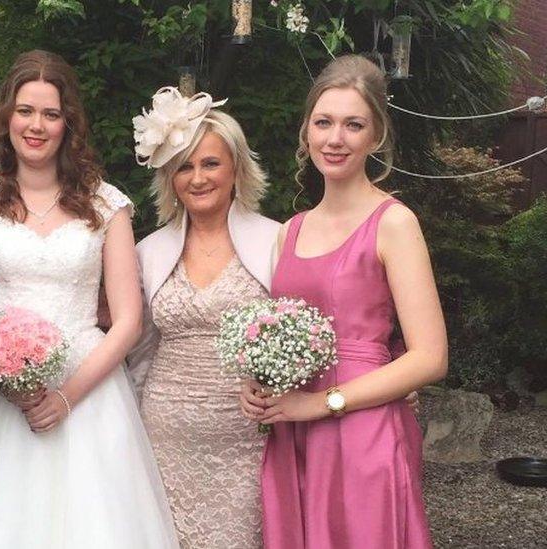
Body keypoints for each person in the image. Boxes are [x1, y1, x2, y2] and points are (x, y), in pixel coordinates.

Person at [0, 50, 180, 549]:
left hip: (89, 394)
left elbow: (128, 321)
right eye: (26, 111)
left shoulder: (107, 205)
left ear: (67, 124)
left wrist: (67, 397)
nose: (36, 125)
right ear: (6, 116)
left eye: (51, 114)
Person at [247, 54, 447, 549]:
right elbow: (281, 334)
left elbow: (430, 356)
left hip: (364, 431)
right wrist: (260, 383)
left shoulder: (394, 223)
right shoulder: (289, 231)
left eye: (353, 125)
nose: (335, 139)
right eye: (324, 122)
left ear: (375, 136)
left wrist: (320, 403)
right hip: (295, 433)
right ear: (306, 130)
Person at [126, 87, 279, 548]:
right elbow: (137, 349)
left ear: (236, 169)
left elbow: (308, 332)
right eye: (184, 167)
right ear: (169, 178)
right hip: (164, 440)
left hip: (247, 442)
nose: (197, 178)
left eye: (210, 163)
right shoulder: (148, 251)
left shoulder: (279, 241)